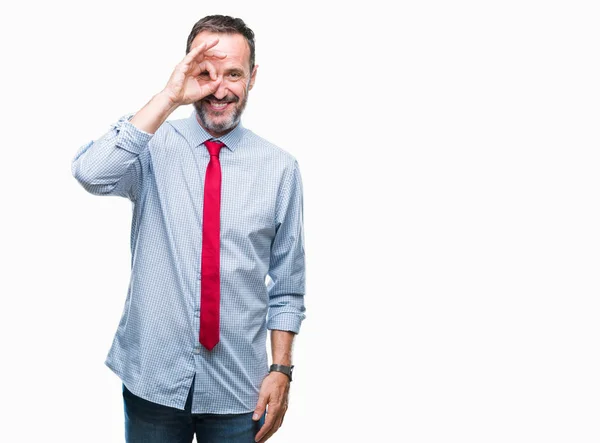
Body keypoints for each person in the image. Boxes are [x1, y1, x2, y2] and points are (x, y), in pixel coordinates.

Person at [71, 15, 306, 443]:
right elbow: (91, 173)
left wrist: (281, 369)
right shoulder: (151, 145)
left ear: (253, 77)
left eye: (233, 73)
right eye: (205, 73)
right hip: (153, 381)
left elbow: (288, 284)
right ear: (186, 72)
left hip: (240, 389)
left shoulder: (280, 168)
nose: (219, 88)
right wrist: (168, 97)